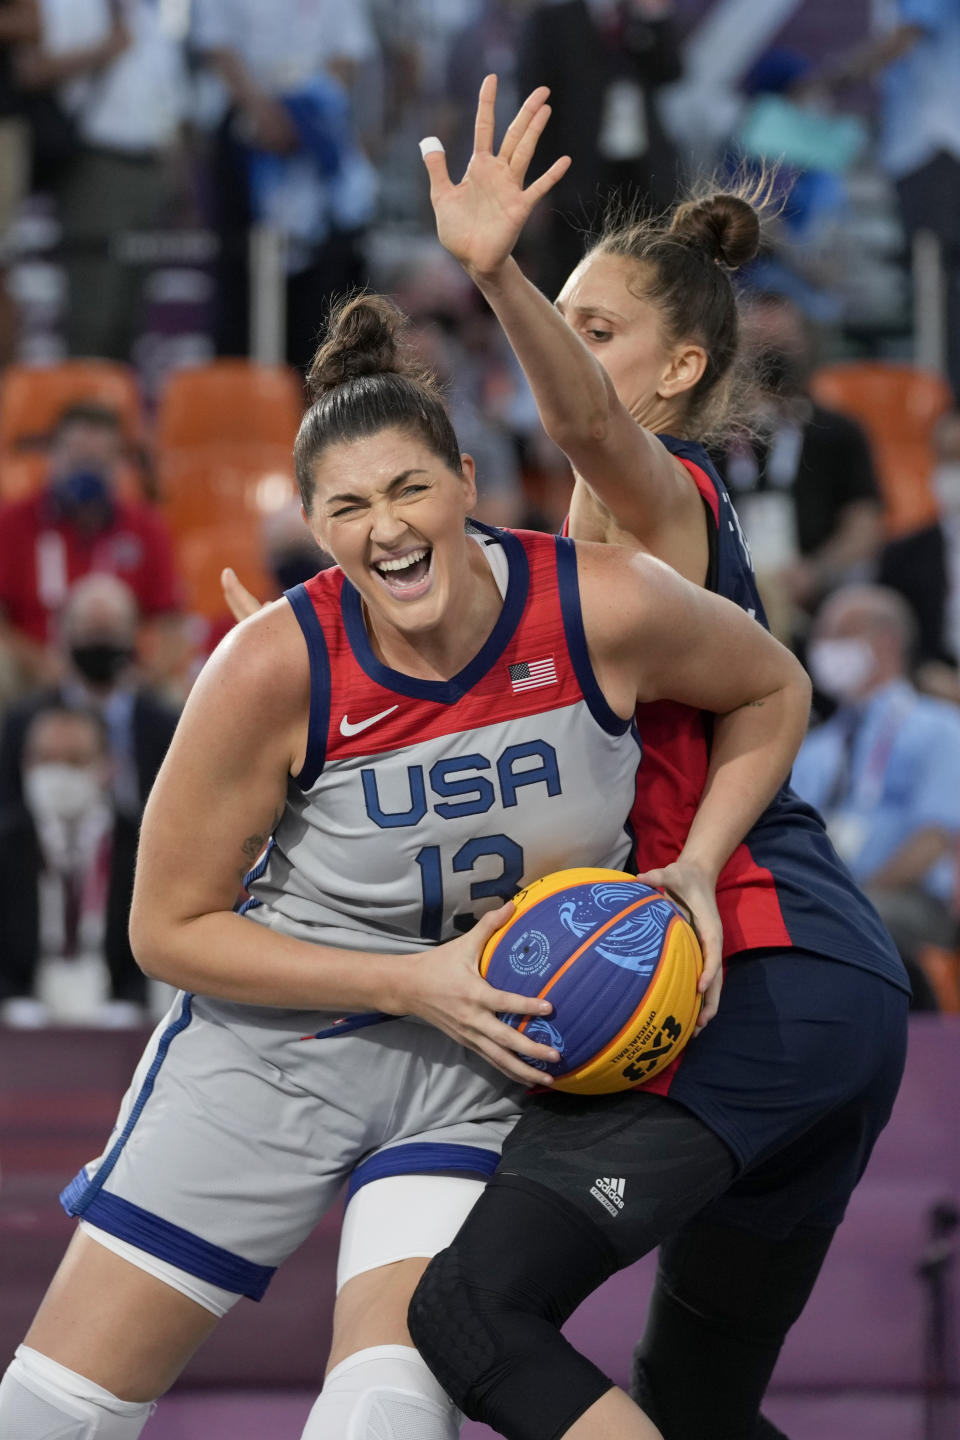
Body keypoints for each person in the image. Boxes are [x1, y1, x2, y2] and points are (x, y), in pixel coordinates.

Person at [0, 291, 812, 1440]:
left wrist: (696, 868)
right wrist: (405, 980)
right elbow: (165, 933)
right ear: (317, 529)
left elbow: (774, 687)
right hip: (279, 1045)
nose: (384, 527)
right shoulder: (270, 665)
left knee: (383, 1419)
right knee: (51, 1418)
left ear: (467, 483)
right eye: (347, 507)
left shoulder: (599, 604)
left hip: (481, 1056)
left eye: (408, 488)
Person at [402, 78, 910, 1440]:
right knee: (692, 1408)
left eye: (596, 329)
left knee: (469, 1317)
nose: (563, 352)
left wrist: (500, 274)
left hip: (754, 962)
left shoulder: (661, 495)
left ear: (677, 372)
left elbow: (580, 424)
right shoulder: (580, 567)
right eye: (560, 321)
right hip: (830, 996)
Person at [792, 584, 960, 1009]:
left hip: (911, 902)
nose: (823, 646)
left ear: (886, 639)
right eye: (821, 635)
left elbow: (933, 840)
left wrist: (848, 897)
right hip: (828, 896)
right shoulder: (814, 746)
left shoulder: (940, 728)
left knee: (841, 922)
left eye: (839, 632)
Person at [716, 290, 884, 644]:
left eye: (783, 341)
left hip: (818, 603)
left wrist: (815, 573)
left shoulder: (838, 432)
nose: (772, 350)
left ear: (807, 346)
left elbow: (864, 525)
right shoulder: (711, 434)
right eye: (762, 343)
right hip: (723, 598)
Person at [0, 401, 181, 692]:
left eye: (98, 462)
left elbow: (173, 624)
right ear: (53, 456)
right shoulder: (11, 523)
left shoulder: (147, 528)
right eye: (77, 459)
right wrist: (37, 663)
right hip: (35, 672)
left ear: (118, 466)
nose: (86, 472)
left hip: (121, 674)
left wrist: (147, 677)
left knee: (175, 693)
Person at [0, 703, 143, 1026]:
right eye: (45, 759)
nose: (58, 773)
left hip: (120, 1011)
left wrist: (135, 1001)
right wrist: (9, 1001)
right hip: (21, 1017)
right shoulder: (7, 843)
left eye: (75, 760)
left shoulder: (141, 844)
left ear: (109, 766)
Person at [0, 572, 179, 819]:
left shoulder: (167, 727)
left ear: (133, 634)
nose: (100, 642)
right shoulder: (23, 721)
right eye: (90, 630)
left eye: (110, 631)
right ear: (65, 634)